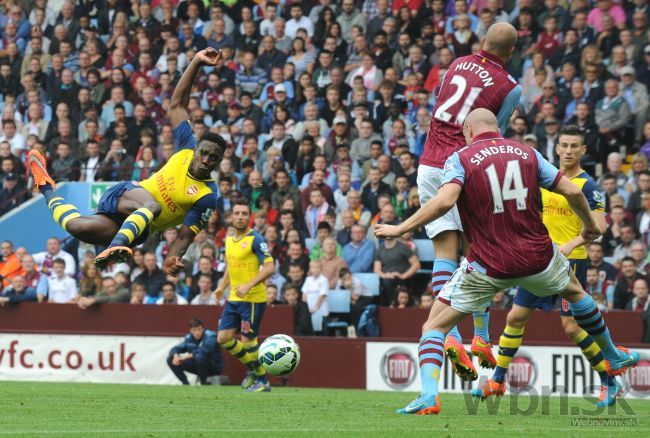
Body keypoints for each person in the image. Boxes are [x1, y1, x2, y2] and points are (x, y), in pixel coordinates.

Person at [375, 108, 639, 415]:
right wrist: (590, 227)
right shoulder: (528, 153)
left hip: (490, 264)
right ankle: (612, 354)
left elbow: (445, 201)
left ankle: (429, 395)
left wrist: (400, 227)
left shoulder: (460, 158)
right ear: (497, 128)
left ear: (468, 131)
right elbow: (569, 189)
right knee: (576, 293)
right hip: (539, 259)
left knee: (433, 325)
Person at [27, 48, 227, 273]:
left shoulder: (207, 196)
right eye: (205, 152)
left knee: (76, 226)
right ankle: (116, 247)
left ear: (218, 162)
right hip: (127, 196)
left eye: (213, 158)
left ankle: (46, 188)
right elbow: (178, 105)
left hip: (136, 229)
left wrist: (172, 256)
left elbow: (185, 235)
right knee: (153, 206)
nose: (206, 159)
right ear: (197, 148)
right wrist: (197, 62)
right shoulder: (186, 147)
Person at [476, 125, 621, 406]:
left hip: (570, 262)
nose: (567, 150)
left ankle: (609, 381)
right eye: (563, 145)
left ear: (583, 150)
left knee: (571, 328)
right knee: (514, 318)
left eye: (573, 146)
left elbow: (600, 227)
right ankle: (497, 380)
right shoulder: (545, 179)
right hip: (538, 259)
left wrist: (572, 243)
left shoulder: (588, 186)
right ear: (556, 148)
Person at [415, 23, 522, 377]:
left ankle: (451, 337)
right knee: (478, 252)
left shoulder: (457, 63)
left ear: (483, 41)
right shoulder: (510, 87)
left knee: (444, 253)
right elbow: (492, 131)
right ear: (510, 52)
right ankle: (479, 336)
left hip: (429, 165)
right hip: (464, 168)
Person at [214, 199, 275, 392]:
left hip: (253, 300)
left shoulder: (256, 239)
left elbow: (269, 267)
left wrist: (248, 285)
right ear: (231, 216)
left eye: (244, 214)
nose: (240, 217)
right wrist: (221, 287)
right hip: (234, 298)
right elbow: (230, 268)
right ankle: (254, 372)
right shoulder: (229, 239)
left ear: (250, 217)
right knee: (223, 338)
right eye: (237, 213)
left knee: (248, 342)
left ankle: (263, 380)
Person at [167, 318, 224, 385]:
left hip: (214, 367)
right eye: (194, 330)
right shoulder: (189, 338)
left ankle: (203, 384)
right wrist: (175, 356)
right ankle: (185, 383)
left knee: (199, 357)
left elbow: (205, 351)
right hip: (198, 366)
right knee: (170, 359)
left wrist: (185, 357)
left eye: (199, 329)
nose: (197, 332)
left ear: (203, 329)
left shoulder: (211, 336)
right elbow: (175, 349)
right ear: (191, 330)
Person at [302, 260, 329, 334]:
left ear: (321, 269)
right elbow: (304, 294)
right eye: (313, 267)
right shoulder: (308, 279)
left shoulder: (324, 280)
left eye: (318, 267)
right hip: (309, 309)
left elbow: (322, 295)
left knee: (321, 330)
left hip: (320, 309)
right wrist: (305, 308)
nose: (315, 269)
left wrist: (315, 308)